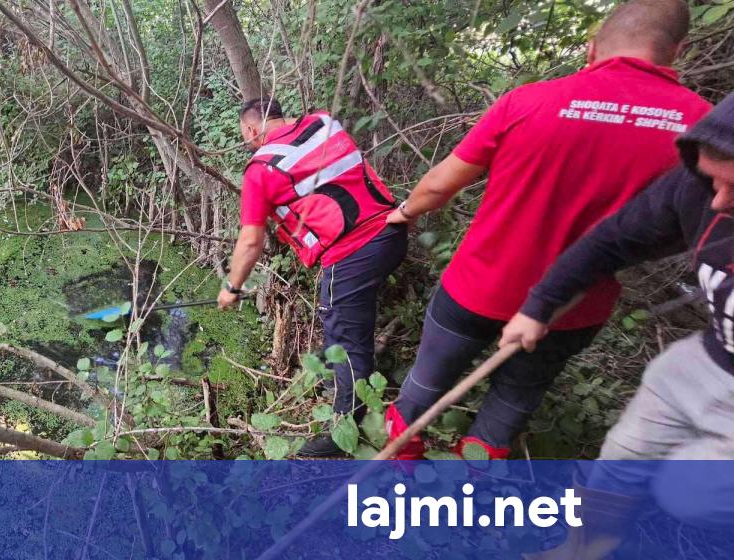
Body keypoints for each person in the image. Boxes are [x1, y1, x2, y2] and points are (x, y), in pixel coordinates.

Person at [382, 0, 711, 460]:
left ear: (591, 47)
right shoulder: (704, 132)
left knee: (421, 389)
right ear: (678, 50)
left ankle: (398, 480)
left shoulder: (529, 101)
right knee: (509, 407)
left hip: (477, 287)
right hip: (571, 308)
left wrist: (404, 213)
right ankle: (466, 500)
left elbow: (438, 186)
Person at [501, 92, 734, 559]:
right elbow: (612, 240)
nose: (720, 202)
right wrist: (539, 304)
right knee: (625, 455)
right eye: (713, 181)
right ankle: (586, 546)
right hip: (709, 358)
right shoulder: (701, 193)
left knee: (688, 493)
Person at [218, 96, 407, 457]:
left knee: (347, 343)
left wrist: (232, 287)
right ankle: (340, 378)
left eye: (245, 135)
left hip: (351, 254)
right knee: (342, 325)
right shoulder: (322, 122)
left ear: (251, 128)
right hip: (392, 233)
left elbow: (251, 240)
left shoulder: (261, 169)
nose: (246, 141)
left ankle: (344, 433)